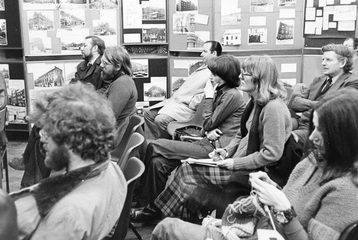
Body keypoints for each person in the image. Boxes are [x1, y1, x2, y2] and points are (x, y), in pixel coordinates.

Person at [152, 88, 358, 240]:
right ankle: (157, 210)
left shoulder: (345, 191)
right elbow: (238, 136)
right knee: (178, 174)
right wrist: (273, 189)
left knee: (169, 227)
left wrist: (283, 208)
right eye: (313, 128)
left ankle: (154, 210)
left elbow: (271, 155)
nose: (312, 137)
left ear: (344, 137)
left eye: (320, 130)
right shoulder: (313, 161)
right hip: (261, 228)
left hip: (265, 224)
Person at [151, 55, 291, 221]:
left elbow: (271, 154)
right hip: (240, 162)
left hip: (256, 173)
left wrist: (234, 163)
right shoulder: (255, 102)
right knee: (186, 169)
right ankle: (181, 219)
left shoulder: (273, 108)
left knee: (187, 172)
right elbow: (241, 134)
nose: (241, 77)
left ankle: (170, 217)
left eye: (245, 74)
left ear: (259, 78)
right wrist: (225, 151)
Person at [131, 55, 246, 223]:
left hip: (215, 150)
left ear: (226, 75)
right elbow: (210, 126)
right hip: (207, 142)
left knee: (154, 145)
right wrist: (210, 126)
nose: (211, 78)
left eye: (215, 75)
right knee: (158, 163)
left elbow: (208, 123)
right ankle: (149, 209)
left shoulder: (232, 95)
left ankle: (142, 200)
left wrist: (208, 97)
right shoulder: (222, 92)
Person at [11, 83, 127, 240]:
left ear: (70, 139)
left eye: (48, 130)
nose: (42, 137)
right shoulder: (113, 170)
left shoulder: (67, 215)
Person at [9, 36, 109, 186]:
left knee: (42, 134)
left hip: (85, 112)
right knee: (39, 131)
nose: (81, 47)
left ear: (95, 48)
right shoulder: (83, 65)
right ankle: (30, 176)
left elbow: (101, 92)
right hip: (75, 106)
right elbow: (73, 85)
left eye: (85, 45)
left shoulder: (102, 67)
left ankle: (31, 180)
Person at [144, 40, 222, 139]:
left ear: (214, 53)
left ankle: (167, 146)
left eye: (205, 51)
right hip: (176, 103)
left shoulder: (215, 72)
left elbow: (210, 94)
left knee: (161, 120)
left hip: (186, 109)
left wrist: (190, 101)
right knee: (147, 113)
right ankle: (154, 144)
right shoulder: (205, 66)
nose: (201, 54)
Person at [290, 44, 358, 147]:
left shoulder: (352, 82)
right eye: (323, 60)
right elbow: (295, 104)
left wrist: (308, 104)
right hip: (301, 122)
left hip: (322, 130)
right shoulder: (318, 80)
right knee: (271, 130)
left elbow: (334, 108)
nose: (323, 63)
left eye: (328, 60)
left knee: (288, 139)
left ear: (342, 62)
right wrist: (318, 104)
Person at [100, 46, 138, 147]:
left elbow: (108, 119)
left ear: (117, 66)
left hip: (113, 141)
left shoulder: (122, 84)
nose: (101, 65)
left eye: (105, 63)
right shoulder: (120, 81)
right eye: (101, 61)